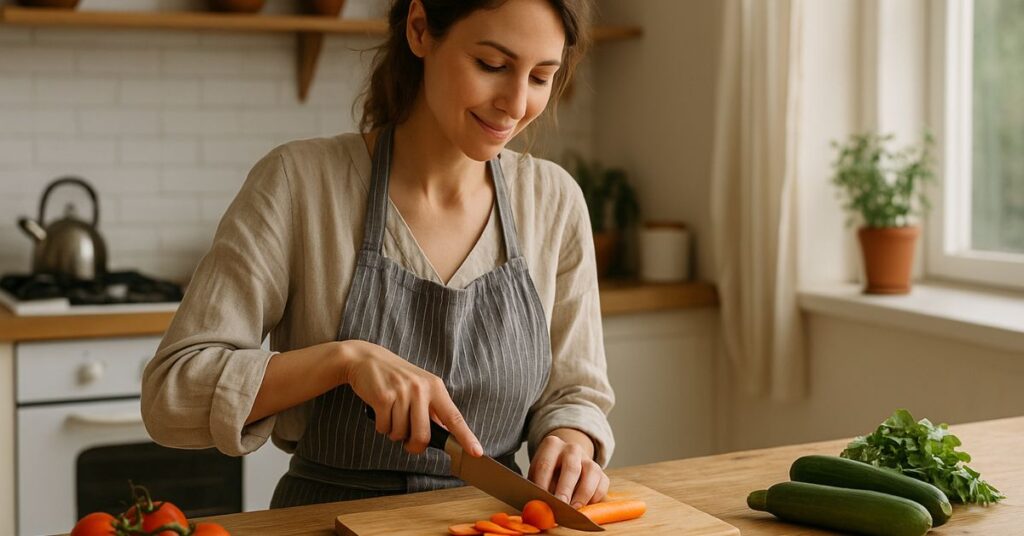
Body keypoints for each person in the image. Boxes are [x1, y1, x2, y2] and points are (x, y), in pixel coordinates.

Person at [141, 0, 614, 510]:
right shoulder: (299, 183)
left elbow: (575, 393)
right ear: (419, 30)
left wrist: (571, 442)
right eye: (492, 65)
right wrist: (344, 361)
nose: (516, 104)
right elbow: (172, 396)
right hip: (326, 520)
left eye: (542, 77)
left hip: (492, 517)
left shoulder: (553, 201)